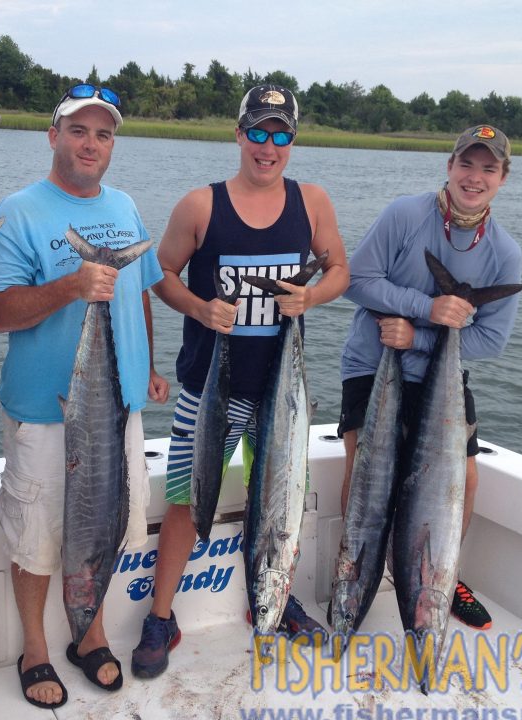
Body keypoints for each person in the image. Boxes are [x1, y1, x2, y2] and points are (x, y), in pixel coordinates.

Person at [131, 84, 350, 679]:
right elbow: (161, 274)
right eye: (258, 132)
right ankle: (161, 615)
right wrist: (201, 309)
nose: (268, 146)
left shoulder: (313, 204)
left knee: (278, 498)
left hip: (282, 396)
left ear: (293, 142)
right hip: (209, 390)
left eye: (280, 135)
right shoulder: (201, 205)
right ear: (238, 134)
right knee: (186, 499)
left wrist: (310, 296)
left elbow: (339, 270)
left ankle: (271, 601)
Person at [0, 83, 168, 708]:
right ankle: (35, 647)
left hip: (117, 407)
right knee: (37, 532)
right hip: (43, 410)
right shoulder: (18, 211)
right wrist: (70, 286)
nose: (92, 144)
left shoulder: (125, 206)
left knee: (110, 522)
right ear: (54, 136)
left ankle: (87, 632)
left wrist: (147, 364)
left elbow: (140, 287)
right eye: (80, 131)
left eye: (104, 134)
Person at [338, 124, 522, 631]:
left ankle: (442, 574)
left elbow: (491, 341)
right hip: (372, 365)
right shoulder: (405, 215)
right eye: (467, 164)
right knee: (367, 467)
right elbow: (354, 281)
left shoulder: (504, 252)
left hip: (437, 374)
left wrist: (417, 336)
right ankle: (354, 570)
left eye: (489, 168)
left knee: (465, 478)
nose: (475, 177)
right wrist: (427, 307)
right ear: (450, 166)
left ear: (503, 178)